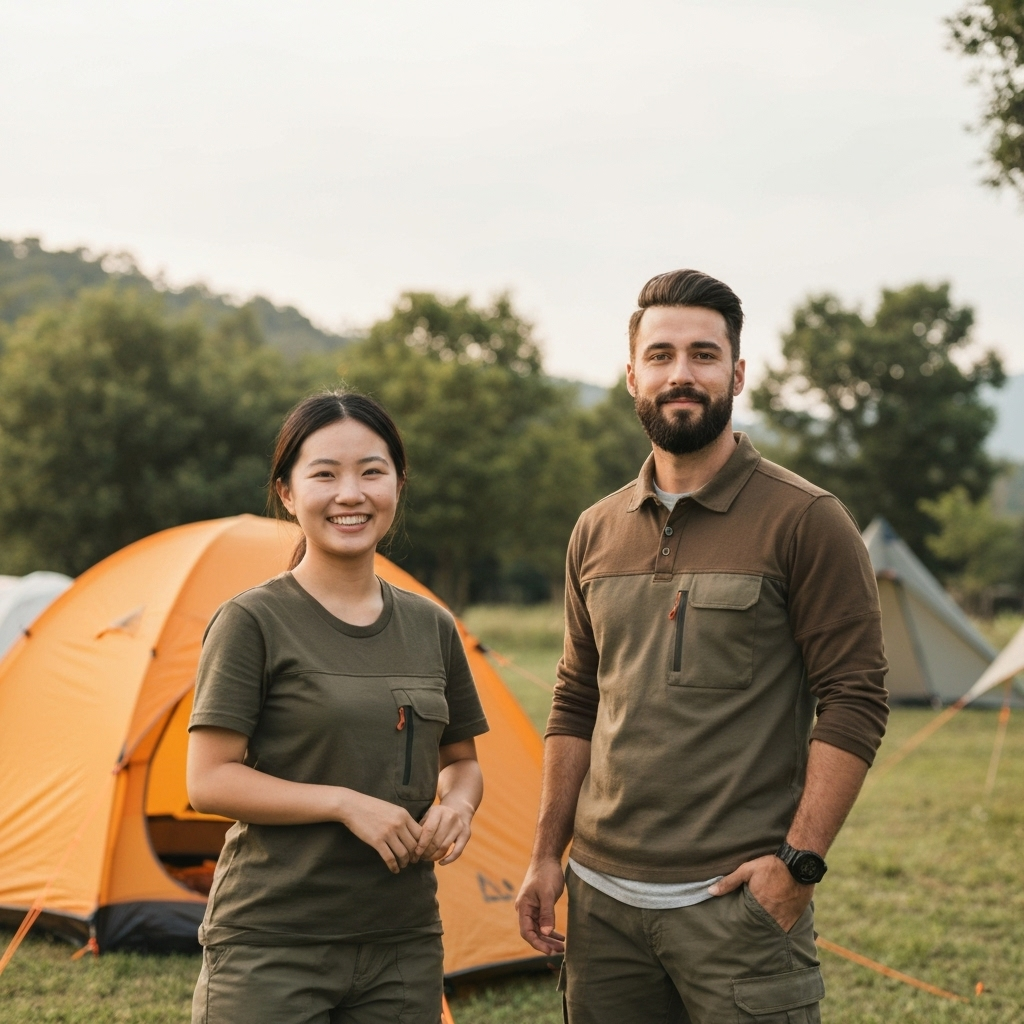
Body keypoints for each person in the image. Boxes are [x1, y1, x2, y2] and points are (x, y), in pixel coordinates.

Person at [516, 270, 889, 1024]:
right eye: (660, 355)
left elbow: (855, 699)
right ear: (631, 376)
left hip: (738, 910)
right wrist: (545, 857)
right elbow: (575, 696)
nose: (680, 374)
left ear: (738, 373)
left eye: (703, 354)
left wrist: (799, 867)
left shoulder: (807, 520)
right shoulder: (595, 528)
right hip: (602, 904)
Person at [187, 390, 488, 1024]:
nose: (350, 494)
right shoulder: (252, 620)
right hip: (271, 943)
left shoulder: (432, 625)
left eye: (371, 472)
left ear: (397, 486)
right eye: (325, 474)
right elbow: (208, 779)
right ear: (289, 493)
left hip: (402, 942)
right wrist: (345, 804)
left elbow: (461, 760)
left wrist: (457, 806)